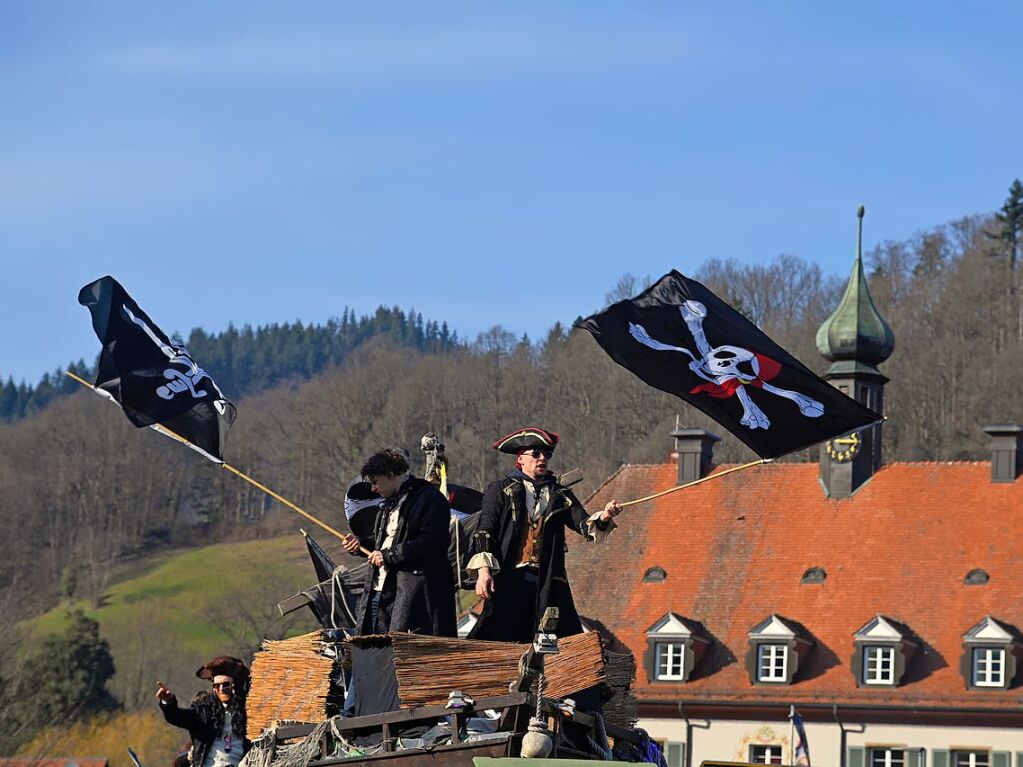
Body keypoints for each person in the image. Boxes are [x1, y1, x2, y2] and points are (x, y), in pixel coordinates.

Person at [467, 427, 623, 643]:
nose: (543, 458)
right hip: (510, 578)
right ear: (520, 459)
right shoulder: (500, 490)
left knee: (553, 641)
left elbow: (585, 526)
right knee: (497, 637)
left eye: (547, 455)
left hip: (547, 581)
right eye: (536, 454)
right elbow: (485, 530)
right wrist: (484, 571)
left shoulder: (560, 495)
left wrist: (605, 515)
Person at [341, 448, 456, 637]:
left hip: (414, 595)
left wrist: (388, 556)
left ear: (392, 474)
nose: (373, 489)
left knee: (404, 656)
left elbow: (431, 542)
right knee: (374, 652)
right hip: (379, 592)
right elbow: (385, 543)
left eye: (375, 482)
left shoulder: (431, 499)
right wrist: (360, 545)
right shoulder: (387, 502)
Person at [156, 656, 250, 767]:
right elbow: (178, 717)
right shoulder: (204, 711)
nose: (221, 689)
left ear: (235, 685)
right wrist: (168, 701)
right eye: (217, 685)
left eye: (226, 685)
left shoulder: (249, 713)